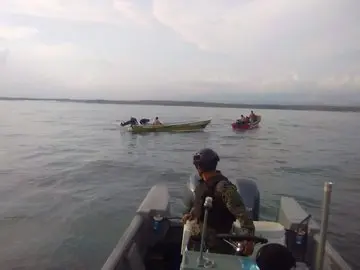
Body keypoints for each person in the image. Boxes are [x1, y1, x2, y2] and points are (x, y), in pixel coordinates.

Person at [182, 148, 255, 255]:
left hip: (219, 243)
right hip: (200, 239)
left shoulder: (224, 188)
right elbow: (198, 206)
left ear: (199, 167)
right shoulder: (202, 186)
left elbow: (243, 216)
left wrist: (248, 240)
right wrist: (191, 215)